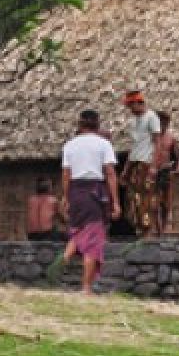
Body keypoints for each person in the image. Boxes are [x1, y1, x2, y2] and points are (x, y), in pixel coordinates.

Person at [49, 110, 121, 294]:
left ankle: (59, 265)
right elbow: (110, 173)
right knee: (93, 241)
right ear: (97, 125)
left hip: (76, 192)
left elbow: (66, 174)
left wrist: (66, 197)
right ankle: (86, 287)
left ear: (80, 125)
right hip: (94, 193)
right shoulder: (103, 144)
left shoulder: (69, 145)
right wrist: (115, 202)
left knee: (79, 233)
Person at [122, 89, 161, 235]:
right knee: (133, 198)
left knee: (147, 196)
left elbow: (157, 143)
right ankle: (138, 229)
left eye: (131, 106)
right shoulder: (133, 121)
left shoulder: (152, 117)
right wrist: (126, 169)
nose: (130, 110)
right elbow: (134, 146)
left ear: (139, 103)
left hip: (146, 163)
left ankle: (148, 231)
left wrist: (154, 166)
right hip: (135, 163)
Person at [150, 111, 179, 235]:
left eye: (165, 122)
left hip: (165, 171)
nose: (162, 125)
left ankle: (163, 229)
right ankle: (156, 228)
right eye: (160, 122)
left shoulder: (171, 138)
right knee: (153, 203)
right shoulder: (150, 138)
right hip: (152, 171)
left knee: (166, 203)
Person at [26, 176, 64, 241]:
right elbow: (63, 218)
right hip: (47, 235)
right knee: (70, 237)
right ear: (49, 188)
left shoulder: (31, 200)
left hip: (32, 235)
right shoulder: (53, 200)